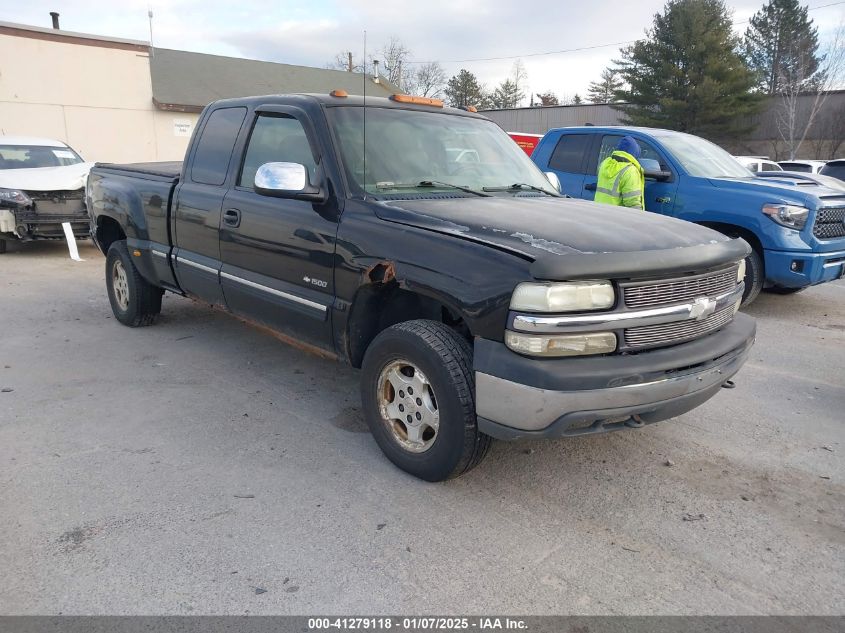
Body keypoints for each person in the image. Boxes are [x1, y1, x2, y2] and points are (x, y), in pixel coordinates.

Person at [594, 136, 645, 209]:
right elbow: (633, 203)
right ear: (634, 153)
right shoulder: (630, 171)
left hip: (599, 211)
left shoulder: (605, 164)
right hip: (617, 216)